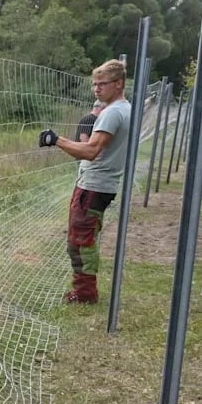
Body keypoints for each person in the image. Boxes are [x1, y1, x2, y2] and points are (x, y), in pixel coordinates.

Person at [39, 59, 133, 304]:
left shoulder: (112, 113)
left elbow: (91, 151)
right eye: (94, 84)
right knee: (84, 237)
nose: (97, 89)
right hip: (102, 184)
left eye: (102, 84)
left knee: (80, 241)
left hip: (94, 185)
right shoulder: (125, 109)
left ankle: (84, 294)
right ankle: (84, 291)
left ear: (119, 84)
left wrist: (55, 139)